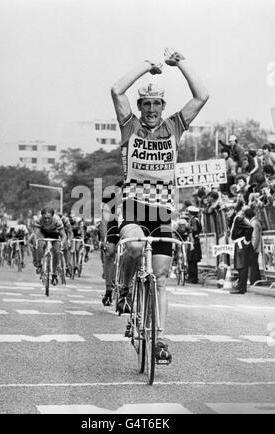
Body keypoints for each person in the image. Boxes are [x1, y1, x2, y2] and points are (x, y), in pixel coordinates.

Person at [111, 47, 209, 362]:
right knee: (136, 247)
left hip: (163, 210)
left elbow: (202, 95)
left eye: (156, 104)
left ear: (162, 107)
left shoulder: (173, 128)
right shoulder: (130, 126)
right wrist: (148, 66)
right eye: (146, 104)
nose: (151, 109)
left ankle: (160, 339)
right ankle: (124, 290)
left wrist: (181, 63)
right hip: (133, 208)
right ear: (139, 108)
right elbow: (116, 89)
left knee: (162, 275)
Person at [34, 208, 67, 285]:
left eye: (49, 218)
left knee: (56, 250)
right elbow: (36, 234)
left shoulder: (57, 220)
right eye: (45, 218)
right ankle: (39, 264)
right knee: (40, 244)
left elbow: (64, 235)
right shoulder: (39, 220)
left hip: (54, 233)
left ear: (53, 216)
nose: (47, 220)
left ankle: (54, 274)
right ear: (42, 216)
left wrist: (62, 242)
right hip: (43, 233)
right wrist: (36, 242)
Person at [229, 206, 253, 294]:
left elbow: (250, 228)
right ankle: (241, 287)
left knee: (241, 265)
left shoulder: (239, 218)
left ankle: (241, 288)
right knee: (240, 265)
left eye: (229, 210)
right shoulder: (236, 219)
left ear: (234, 210)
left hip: (241, 244)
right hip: (239, 243)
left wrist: (247, 240)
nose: (227, 212)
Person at [244, 207, 262, 285]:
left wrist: (252, 248)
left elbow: (255, 236)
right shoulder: (254, 222)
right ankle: (255, 279)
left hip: (254, 247)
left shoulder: (254, 223)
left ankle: (254, 280)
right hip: (254, 247)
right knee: (254, 264)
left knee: (253, 264)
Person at [186, 206, 202, 283]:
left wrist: (188, 228)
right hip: (194, 240)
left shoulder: (194, 220)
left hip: (194, 241)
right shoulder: (194, 219)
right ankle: (191, 277)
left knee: (192, 260)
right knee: (191, 260)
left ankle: (193, 278)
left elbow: (194, 229)